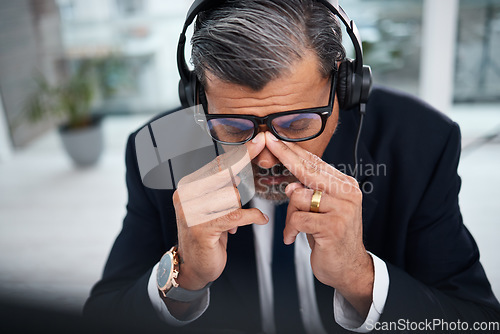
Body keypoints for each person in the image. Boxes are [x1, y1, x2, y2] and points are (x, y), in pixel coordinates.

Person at [84, 0, 500, 333]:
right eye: (231, 126)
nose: (266, 157)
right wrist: (184, 274)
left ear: (345, 88)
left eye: (297, 124)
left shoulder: (422, 141)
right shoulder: (160, 148)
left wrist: (360, 278)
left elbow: (475, 322)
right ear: (196, 99)